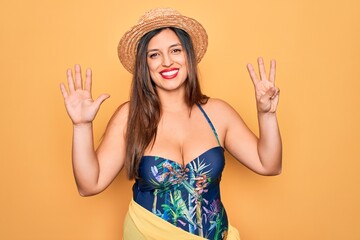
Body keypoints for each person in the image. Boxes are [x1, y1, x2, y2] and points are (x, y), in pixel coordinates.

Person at [60, 8, 281, 240]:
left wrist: (266, 115)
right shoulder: (130, 116)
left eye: (175, 50)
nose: (167, 62)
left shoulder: (218, 113)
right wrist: (81, 126)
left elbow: (269, 164)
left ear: (188, 56)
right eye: (154, 55)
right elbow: (89, 185)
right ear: (144, 65)